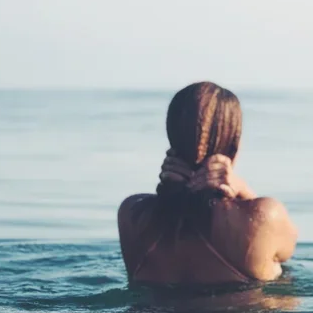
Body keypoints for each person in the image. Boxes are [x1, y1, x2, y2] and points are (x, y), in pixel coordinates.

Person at [118, 82, 297, 285]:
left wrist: (168, 188)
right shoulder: (264, 217)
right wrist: (243, 190)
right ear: (233, 142)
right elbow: (288, 247)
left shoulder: (132, 214)